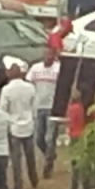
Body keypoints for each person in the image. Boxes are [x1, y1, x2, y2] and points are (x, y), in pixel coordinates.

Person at [0, 64, 38, 189]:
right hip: (28, 125)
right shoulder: (30, 87)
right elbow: (34, 107)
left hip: (14, 126)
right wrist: (32, 118)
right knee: (30, 156)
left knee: (16, 159)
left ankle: (18, 185)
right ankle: (34, 179)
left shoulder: (6, 90)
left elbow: (3, 109)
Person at [27, 49, 61, 177]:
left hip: (53, 107)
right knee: (38, 138)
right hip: (38, 106)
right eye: (46, 55)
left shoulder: (59, 69)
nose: (48, 58)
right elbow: (29, 84)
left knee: (50, 137)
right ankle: (50, 154)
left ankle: (48, 165)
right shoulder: (35, 68)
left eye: (51, 55)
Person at [67, 89, 90, 189]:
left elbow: (70, 123)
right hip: (83, 134)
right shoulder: (81, 108)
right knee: (84, 166)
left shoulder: (72, 108)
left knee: (75, 167)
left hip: (74, 136)